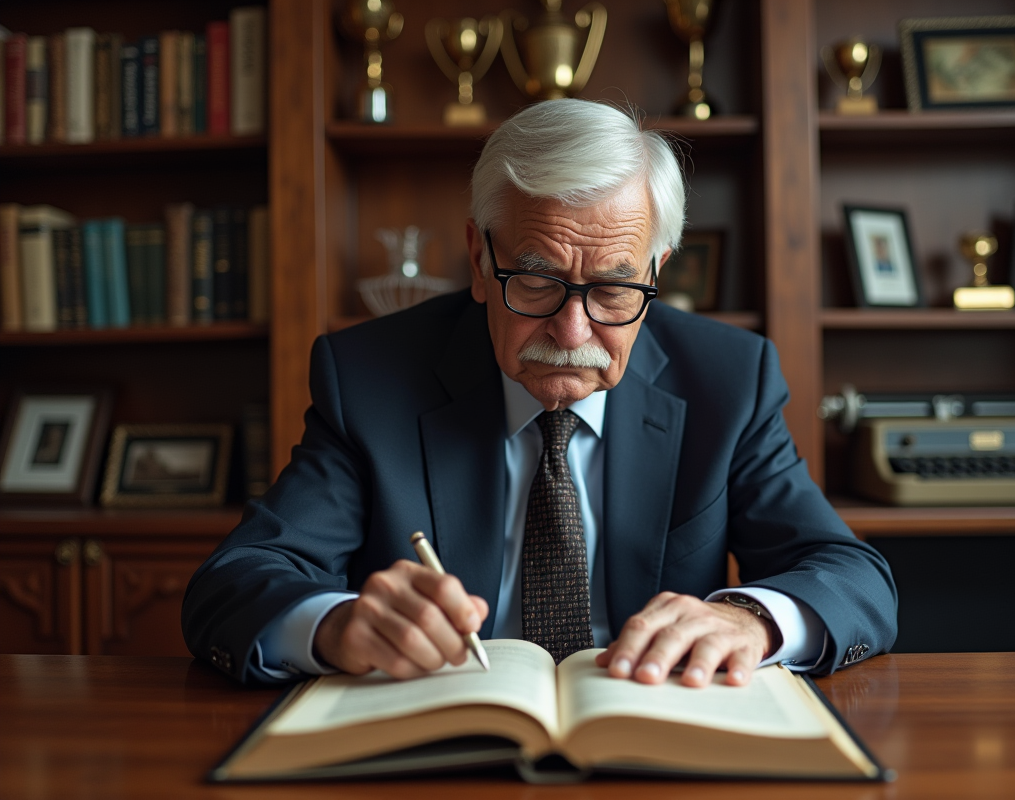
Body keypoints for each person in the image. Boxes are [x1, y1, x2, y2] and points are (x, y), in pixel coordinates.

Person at [182, 99, 897, 688]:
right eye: (535, 280)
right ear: (476, 256)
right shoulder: (369, 375)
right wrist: (335, 626)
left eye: (615, 287)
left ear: (659, 269)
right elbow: (235, 582)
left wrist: (754, 618)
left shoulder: (727, 380)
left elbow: (853, 577)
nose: (571, 326)